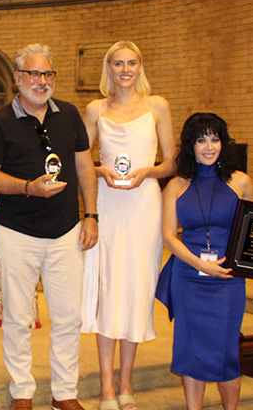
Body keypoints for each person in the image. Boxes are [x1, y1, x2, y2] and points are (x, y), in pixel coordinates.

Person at [0, 43, 98, 410]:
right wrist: (28, 187)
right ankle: (22, 391)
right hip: (17, 231)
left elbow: (84, 167)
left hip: (65, 230)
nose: (42, 81)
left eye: (48, 74)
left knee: (67, 316)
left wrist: (91, 216)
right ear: (17, 78)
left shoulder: (70, 115)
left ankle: (64, 392)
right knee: (18, 316)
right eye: (34, 74)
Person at [155, 113, 253, 410]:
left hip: (227, 278)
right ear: (189, 145)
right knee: (191, 350)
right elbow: (169, 236)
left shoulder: (241, 182)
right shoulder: (176, 185)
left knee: (225, 351)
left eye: (214, 139)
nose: (209, 147)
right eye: (201, 140)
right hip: (189, 276)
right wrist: (199, 263)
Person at [80, 41, 175, 410]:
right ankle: (106, 386)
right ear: (108, 68)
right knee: (108, 289)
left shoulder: (157, 106)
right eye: (117, 63)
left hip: (142, 204)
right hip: (107, 202)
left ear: (140, 67)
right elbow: (81, 158)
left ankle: (126, 382)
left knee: (134, 289)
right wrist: (101, 170)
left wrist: (146, 172)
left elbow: (171, 162)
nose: (125, 70)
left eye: (131, 63)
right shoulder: (95, 109)